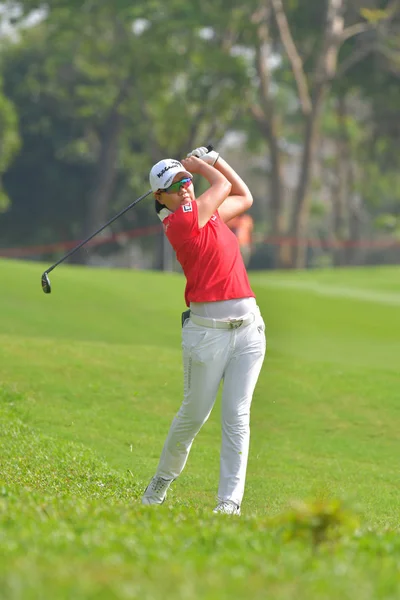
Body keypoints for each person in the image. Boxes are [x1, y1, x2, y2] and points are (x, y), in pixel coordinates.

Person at [141, 146, 266, 515]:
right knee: (194, 416)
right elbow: (224, 184)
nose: (184, 187)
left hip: (248, 330)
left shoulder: (208, 217)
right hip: (206, 336)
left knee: (237, 416)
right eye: (175, 184)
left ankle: (229, 503)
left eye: (187, 181)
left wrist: (214, 158)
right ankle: (163, 477)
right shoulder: (180, 223)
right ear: (159, 197)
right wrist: (205, 164)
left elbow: (245, 196)